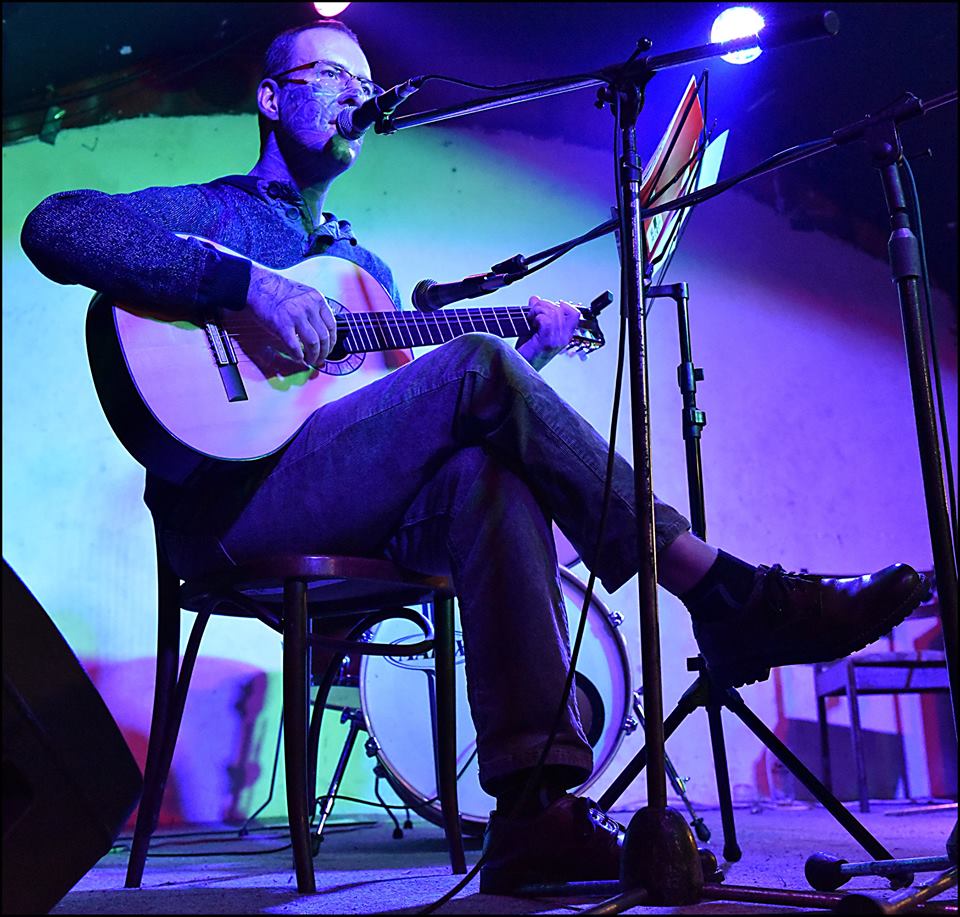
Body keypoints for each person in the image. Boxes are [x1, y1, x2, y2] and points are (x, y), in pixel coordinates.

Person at [21, 18, 926, 894]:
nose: (358, 95)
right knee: (477, 366)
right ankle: (723, 589)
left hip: (333, 491)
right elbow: (57, 224)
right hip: (231, 504)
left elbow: (415, 415)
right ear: (269, 98)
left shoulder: (360, 268)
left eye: (366, 83)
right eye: (333, 77)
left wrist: (526, 364)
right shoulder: (220, 212)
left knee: (486, 473)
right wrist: (247, 285)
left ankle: (533, 811)